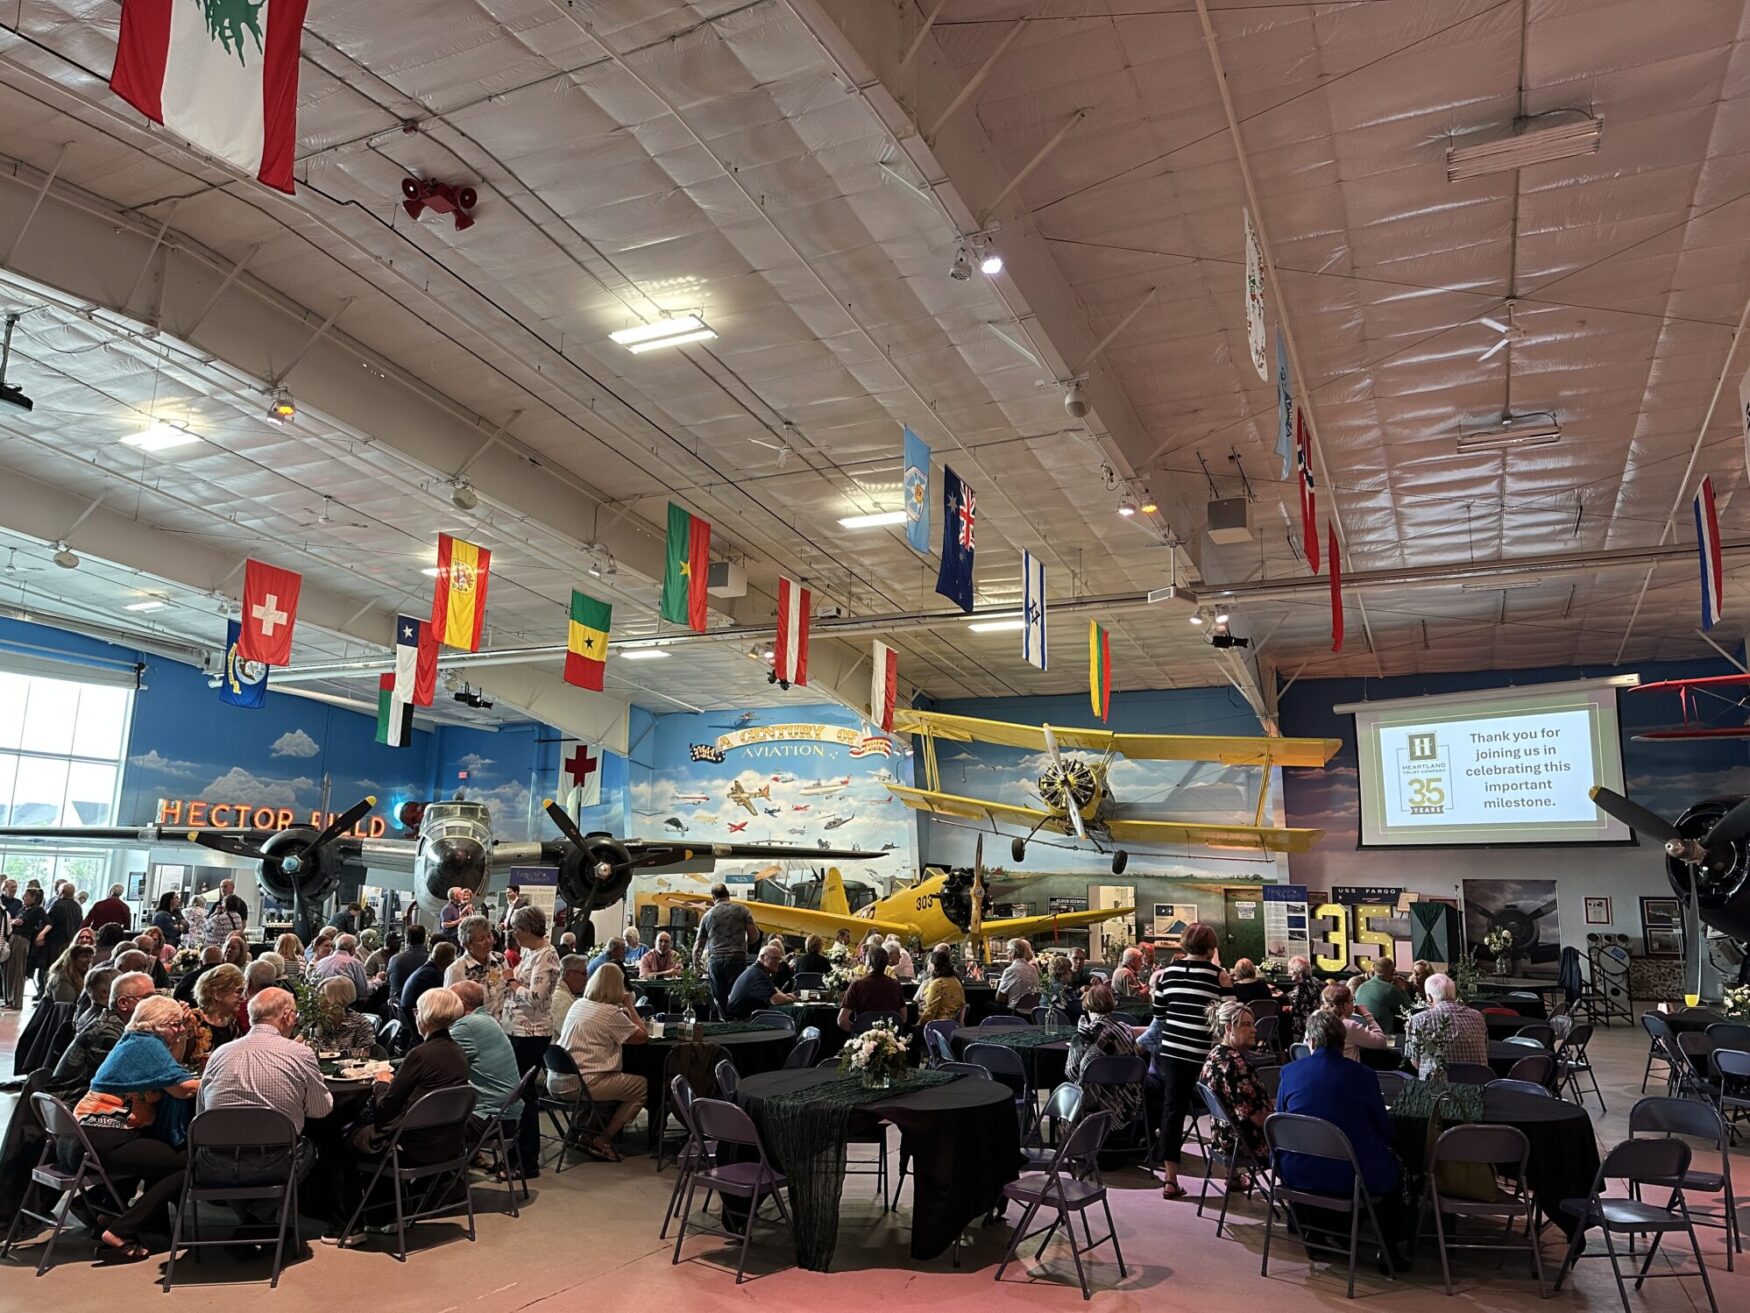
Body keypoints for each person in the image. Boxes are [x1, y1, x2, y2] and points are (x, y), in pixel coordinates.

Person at [68, 994, 200, 1260]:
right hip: (105, 1138)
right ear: (155, 1025)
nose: (181, 1029)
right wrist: (221, 1078)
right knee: (189, 1162)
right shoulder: (147, 1046)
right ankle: (122, 1229)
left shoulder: (137, 1040)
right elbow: (183, 1089)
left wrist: (180, 1035)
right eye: (175, 1025)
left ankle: (110, 1213)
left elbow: (171, 1064)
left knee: (162, 1157)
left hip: (83, 1135)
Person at [1275, 1008, 1408, 1266]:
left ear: (1311, 1041)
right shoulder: (1363, 1075)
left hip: (1297, 1171)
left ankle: (1313, 1230)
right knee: (1395, 1168)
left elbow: (1281, 1121)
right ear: (1342, 1042)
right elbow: (1383, 1128)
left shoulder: (1289, 1072)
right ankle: (1389, 1249)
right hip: (1352, 1175)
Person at [195, 986, 331, 1229]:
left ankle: (252, 1222)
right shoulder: (299, 1053)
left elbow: (201, 1111)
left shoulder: (219, 1054)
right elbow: (320, 1111)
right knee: (311, 1147)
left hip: (214, 1165)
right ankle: (257, 1221)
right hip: (272, 1164)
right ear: (288, 1016)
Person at [344, 988, 470, 1226]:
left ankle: (372, 1216)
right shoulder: (458, 1051)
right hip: (447, 1141)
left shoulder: (420, 1055)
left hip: (412, 1143)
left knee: (348, 1137)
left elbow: (386, 1108)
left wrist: (382, 1082)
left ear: (424, 1016)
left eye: (418, 1010)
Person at [1150, 922, 1231, 1199]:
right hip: (1204, 1052)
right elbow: (1228, 1017)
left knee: (1172, 1111)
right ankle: (1235, 1172)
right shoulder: (1218, 976)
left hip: (1172, 1051)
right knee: (1223, 1107)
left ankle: (1170, 1179)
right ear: (1211, 947)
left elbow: (1158, 1013)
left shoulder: (1167, 974)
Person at [552, 961, 648, 1161]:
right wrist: (630, 1005)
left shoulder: (578, 1004)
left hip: (556, 1080)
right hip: (581, 1085)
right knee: (640, 1086)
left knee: (610, 1076)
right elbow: (641, 1036)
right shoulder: (611, 1013)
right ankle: (603, 1139)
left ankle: (585, 1133)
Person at [501, 904, 559, 1179]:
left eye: (516, 929)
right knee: (518, 1095)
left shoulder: (547, 955)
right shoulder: (529, 952)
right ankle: (515, 1156)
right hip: (517, 1029)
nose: (513, 934)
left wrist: (511, 982)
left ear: (526, 930)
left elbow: (537, 997)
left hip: (532, 1032)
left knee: (525, 1096)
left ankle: (527, 1161)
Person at [1200, 998, 1272, 1179]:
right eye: (1246, 1025)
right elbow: (1256, 1117)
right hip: (1246, 1142)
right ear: (1229, 1028)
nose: (1254, 1029)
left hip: (1221, 1139)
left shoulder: (1214, 1056)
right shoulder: (1237, 1065)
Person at [448, 980, 525, 1141]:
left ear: (461, 1004)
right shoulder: (486, 1018)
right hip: (507, 1115)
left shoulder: (465, 1026)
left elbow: (434, 1063)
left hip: (490, 1119)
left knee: (423, 1125)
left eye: (450, 1001)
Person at [54, 969, 157, 1085]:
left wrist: (180, 1032)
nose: (156, 1003)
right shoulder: (107, 1032)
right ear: (123, 1003)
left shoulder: (123, 1024)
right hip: (76, 1099)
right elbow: (143, 1076)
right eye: (148, 998)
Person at [1066, 982, 1144, 1125]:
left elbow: (1073, 1072)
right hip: (1127, 1102)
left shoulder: (1087, 1035)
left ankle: (1067, 1135)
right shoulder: (1125, 1030)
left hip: (1094, 1105)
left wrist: (1077, 1044)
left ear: (1087, 1004)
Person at [1404, 972, 1489, 1078]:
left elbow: (1416, 1063)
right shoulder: (1478, 1017)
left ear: (1429, 997)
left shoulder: (1419, 1020)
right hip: (1476, 1086)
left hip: (1437, 1089)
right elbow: (1485, 1051)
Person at [694, 883, 758, 1017]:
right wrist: (743, 945)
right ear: (728, 895)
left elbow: (698, 946)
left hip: (715, 961)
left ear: (713, 898)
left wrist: (696, 966)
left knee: (720, 1000)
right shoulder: (743, 910)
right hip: (736, 959)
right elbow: (754, 936)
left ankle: (724, 1022)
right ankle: (737, 1025)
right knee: (737, 996)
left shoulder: (707, 916)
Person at [445, 914, 506, 1017]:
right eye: (481, 939)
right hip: (475, 1028)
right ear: (467, 944)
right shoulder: (456, 969)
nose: (488, 941)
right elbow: (449, 1007)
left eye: (489, 935)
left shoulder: (500, 959)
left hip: (503, 1028)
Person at [188, 963, 247, 1067]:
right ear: (217, 994)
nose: (243, 998)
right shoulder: (192, 1020)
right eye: (238, 992)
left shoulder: (232, 1021)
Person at [837, 944, 905, 1032]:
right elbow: (904, 1018)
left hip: (864, 1041)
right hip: (890, 1040)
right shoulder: (896, 985)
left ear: (868, 962)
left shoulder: (857, 985)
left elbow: (842, 1020)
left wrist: (858, 1031)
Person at [304, 976, 377, 1058]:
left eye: (322, 995)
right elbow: (297, 1046)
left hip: (348, 1068)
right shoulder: (314, 1019)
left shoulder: (360, 1023)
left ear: (337, 998)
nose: (318, 1000)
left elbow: (366, 1054)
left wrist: (343, 1056)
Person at [1321, 982, 1390, 1062]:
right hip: (1346, 1071)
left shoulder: (1315, 1020)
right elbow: (1381, 1042)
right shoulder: (1348, 1026)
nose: (1354, 1004)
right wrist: (1368, 1015)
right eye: (1352, 1000)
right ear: (1346, 1005)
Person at [727, 941, 796, 1019]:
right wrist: (790, 999)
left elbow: (774, 990)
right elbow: (776, 1000)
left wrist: (784, 996)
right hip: (742, 1020)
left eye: (779, 959)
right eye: (774, 958)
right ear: (762, 957)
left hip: (741, 1015)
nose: (778, 962)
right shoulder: (758, 975)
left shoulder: (756, 970)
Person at [1355, 956, 1411, 1035]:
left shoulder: (1361, 987)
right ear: (1392, 972)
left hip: (1363, 1035)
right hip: (1383, 1037)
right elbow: (1408, 1011)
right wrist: (1403, 990)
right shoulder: (1390, 989)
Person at [41, 881, 82, 987]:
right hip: (70, 942)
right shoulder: (77, 907)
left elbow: (50, 922)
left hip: (56, 942)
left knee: (51, 967)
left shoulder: (58, 905)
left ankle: (47, 991)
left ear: (62, 892)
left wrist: (41, 934)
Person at [403, 940, 458, 1016]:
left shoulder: (426, 970)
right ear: (449, 961)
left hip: (409, 1015)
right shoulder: (434, 976)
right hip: (416, 1019)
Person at [313, 932, 372, 998]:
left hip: (321, 1001)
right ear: (352, 948)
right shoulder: (355, 963)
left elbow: (313, 983)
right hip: (343, 1003)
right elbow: (363, 991)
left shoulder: (321, 962)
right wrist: (377, 982)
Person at [916, 949, 966, 1023]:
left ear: (934, 965)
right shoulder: (955, 980)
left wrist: (918, 1024)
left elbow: (930, 1012)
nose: (927, 967)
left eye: (929, 963)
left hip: (938, 1024)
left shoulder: (938, 984)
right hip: (953, 1023)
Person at [1283, 955, 1323, 1044]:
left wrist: (1288, 1008)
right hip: (1315, 1023)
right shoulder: (1315, 982)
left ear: (1299, 972)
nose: (1289, 973)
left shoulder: (1301, 987)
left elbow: (1296, 1007)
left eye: (1291, 969)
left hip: (1301, 1026)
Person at [996, 938, 1041, 1014]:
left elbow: (998, 998)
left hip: (1015, 1012)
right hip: (1032, 1012)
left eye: (1007, 950)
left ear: (1013, 952)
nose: (1006, 953)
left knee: (986, 1005)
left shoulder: (1010, 970)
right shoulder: (1033, 968)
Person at [387, 924, 429, 1000]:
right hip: (424, 1005)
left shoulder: (395, 959)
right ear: (425, 939)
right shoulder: (431, 960)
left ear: (407, 939)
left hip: (398, 1005)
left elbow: (388, 980)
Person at [551, 954, 590, 1034]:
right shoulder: (560, 998)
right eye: (583, 973)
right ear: (569, 974)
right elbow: (571, 1033)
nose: (586, 978)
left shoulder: (565, 993)